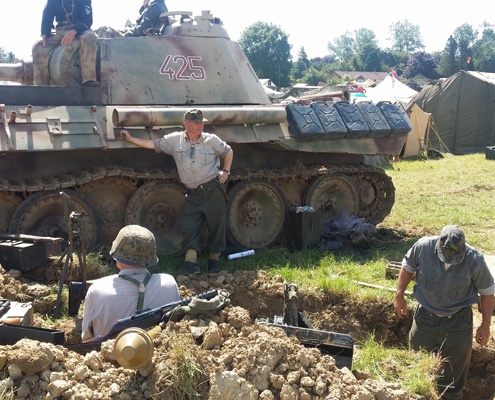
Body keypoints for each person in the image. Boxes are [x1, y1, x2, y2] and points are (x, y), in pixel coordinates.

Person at [121, 109, 233, 275]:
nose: (200, 125)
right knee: (190, 226)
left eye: (201, 122)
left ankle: (214, 260)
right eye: (196, 122)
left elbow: (228, 151)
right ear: (185, 124)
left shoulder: (211, 140)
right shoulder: (175, 141)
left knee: (217, 226)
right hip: (193, 192)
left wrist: (226, 171)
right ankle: (191, 263)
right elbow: (154, 144)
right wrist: (131, 139)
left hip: (212, 189)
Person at [394, 225, 494, 399]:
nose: (450, 259)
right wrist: (399, 294)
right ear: (439, 245)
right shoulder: (423, 247)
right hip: (425, 318)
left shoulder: (474, 259)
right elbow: (408, 267)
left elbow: (487, 292)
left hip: (458, 323)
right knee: (414, 370)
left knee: (452, 381)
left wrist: (485, 325)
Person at [81, 224, 180, 342]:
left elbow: (86, 339)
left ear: (116, 255)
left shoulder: (97, 290)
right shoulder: (169, 283)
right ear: (151, 258)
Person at [33, 0, 99, 87]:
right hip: (61, 31)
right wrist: (44, 35)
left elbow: (87, 20)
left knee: (90, 36)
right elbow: (47, 14)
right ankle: (41, 88)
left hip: (80, 30)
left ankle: (89, 80)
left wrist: (74, 31)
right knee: (38, 48)